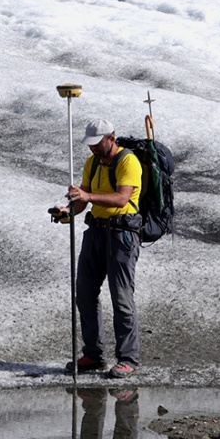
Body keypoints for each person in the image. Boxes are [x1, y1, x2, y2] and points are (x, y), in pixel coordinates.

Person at [59, 120, 142, 376]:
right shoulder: (92, 163)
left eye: (97, 143)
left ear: (111, 137)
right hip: (95, 232)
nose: (93, 148)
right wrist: (68, 211)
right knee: (84, 293)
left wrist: (87, 197)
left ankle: (128, 359)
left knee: (121, 298)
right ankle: (93, 355)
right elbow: (82, 200)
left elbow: (121, 198)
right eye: (90, 144)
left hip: (121, 236)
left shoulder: (128, 162)